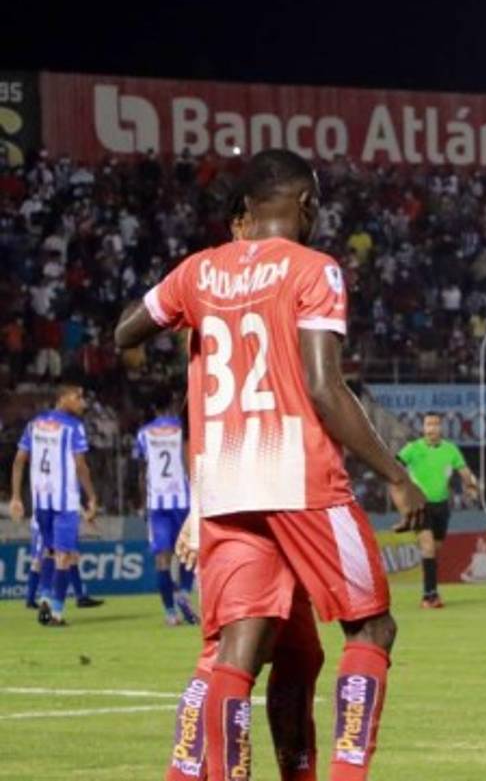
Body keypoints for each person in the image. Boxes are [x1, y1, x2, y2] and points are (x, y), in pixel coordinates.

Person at [115, 149, 427, 781]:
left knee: (242, 649)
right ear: (306, 203)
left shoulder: (197, 271)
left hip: (226, 474)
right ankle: (346, 775)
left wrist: (196, 319)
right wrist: (396, 474)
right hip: (299, 472)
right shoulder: (316, 269)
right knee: (371, 628)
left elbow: (125, 332)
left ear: (245, 211)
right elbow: (322, 386)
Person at [162, 195, 327, 781]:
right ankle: (189, 769)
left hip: (288, 493)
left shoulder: (273, 291)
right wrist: (198, 506)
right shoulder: (214, 288)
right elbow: (217, 416)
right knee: (233, 653)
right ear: (239, 223)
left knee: (301, 657)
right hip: (246, 490)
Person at [8, 382, 103, 625]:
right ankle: (57, 612)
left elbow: (19, 461)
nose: (83, 403)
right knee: (64, 554)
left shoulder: (34, 425)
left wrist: (16, 496)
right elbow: (81, 467)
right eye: (78, 397)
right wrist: (91, 496)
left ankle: (46, 598)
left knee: (49, 551)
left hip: (41, 501)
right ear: (63, 398)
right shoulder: (74, 427)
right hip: (65, 503)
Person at [396, 412, 480, 608]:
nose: (431, 428)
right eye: (428, 424)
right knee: (428, 547)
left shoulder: (450, 449)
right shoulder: (412, 449)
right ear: (423, 427)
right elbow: (394, 467)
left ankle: (430, 587)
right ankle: (430, 596)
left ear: (441, 428)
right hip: (420, 505)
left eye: (435, 424)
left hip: (441, 506)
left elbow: (464, 470)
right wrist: (404, 490)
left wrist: (471, 486)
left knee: (435, 549)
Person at [133, 390, 198, 625]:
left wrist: (142, 502)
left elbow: (141, 472)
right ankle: (184, 592)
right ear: (173, 404)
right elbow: (191, 461)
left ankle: (171, 614)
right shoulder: (184, 430)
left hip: (157, 502)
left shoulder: (144, 433)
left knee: (162, 558)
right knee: (188, 552)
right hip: (183, 500)